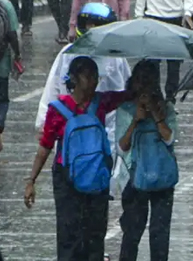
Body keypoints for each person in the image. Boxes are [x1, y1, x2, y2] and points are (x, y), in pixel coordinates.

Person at [25, 56, 133, 261]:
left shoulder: (101, 102)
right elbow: (45, 146)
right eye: (87, 76)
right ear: (74, 78)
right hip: (67, 181)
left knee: (94, 234)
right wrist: (31, 180)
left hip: (96, 177)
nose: (93, 81)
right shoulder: (57, 109)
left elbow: (126, 95)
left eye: (95, 76)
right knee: (69, 234)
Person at [39, 3, 129, 149]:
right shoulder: (68, 53)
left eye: (98, 26)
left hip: (107, 131)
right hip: (71, 128)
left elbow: (126, 89)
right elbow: (53, 86)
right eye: (89, 25)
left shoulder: (116, 58)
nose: (92, 29)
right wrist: (43, 122)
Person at [116, 61, 179, 261]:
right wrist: (135, 120)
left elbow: (170, 139)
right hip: (134, 178)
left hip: (162, 177)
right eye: (141, 82)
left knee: (160, 235)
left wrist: (157, 116)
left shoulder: (166, 108)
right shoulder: (125, 109)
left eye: (150, 83)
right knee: (132, 233)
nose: (145, 88)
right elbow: (122, 147)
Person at [0, 0, 20, 154]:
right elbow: (12, 34)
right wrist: (17, 55)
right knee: (2, 100)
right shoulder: (5, 5)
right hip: (2, 64)